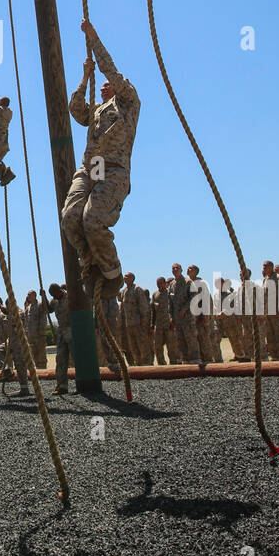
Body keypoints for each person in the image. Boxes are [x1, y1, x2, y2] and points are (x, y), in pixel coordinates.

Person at [62, 20, 141, 303]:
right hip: (90, 168)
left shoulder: (128, 103)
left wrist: (93, 38)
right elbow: (75, 109)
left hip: (113, 170)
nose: (106, 86)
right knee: (71, 218)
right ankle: (90, 263)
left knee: (93, 220)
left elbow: (111, 70)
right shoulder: (97, 111)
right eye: (104, 86)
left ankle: (111, 271)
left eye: (111, 85)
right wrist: (85, 78)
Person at [168, 263, 200, 363]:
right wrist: (171, 317)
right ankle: (185, 359)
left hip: (187, 317)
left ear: (181, 270)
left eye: (177, 268)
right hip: (177, 319)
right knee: (180, 340)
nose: (175, 270)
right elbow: (170, 302)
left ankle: (195, 359)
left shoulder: (188, 282)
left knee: (191, 338)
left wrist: (184, 309)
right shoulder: (172, 284)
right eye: (173, 268)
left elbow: (194, 297)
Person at [119, 273, 153, 367]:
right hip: (129, 324)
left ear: (132, 278)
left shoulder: (137, 289)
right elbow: (120, 300)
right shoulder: (124, 291)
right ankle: (138, 365)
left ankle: (147, 365)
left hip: (138, 323)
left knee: (143, 345)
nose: (124, 278)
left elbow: (144, 307)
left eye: (126, 276)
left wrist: (144, 321)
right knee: (133, 347)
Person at [46, 282, 72, 394]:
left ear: (59, 291)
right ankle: (62, 386)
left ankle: (83, 384)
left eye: (55, 294)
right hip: (61, 332)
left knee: (77, 358)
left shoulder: (70, 296)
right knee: (60, 359)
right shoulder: (54, 300)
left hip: (72, 331)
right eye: (52, 296)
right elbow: (48, 310)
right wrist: (44, 298)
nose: (54, 297)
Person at [150, 276, 179, 364]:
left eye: (161, 283)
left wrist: (173, 321)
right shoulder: (155, 294)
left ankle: (173, 362)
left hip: (168, 324)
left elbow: (175, 308)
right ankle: (161, 363)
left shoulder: (170, 294)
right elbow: (153, 311)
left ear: (165, 283)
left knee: (171, 346)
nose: (159, 285)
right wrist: (152, 323)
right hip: (158, 325)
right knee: (157, 346)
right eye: (157, 283)